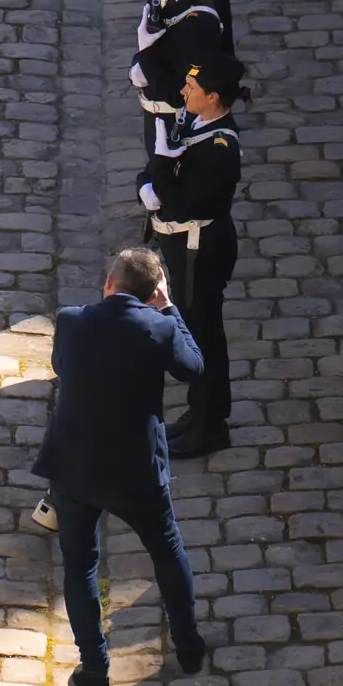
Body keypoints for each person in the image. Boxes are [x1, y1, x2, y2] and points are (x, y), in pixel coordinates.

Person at [32, 245, 209, 686]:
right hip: (136, 469)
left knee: (80, 565)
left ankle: (94, 668)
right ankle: (188, 645)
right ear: (153, 292)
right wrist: (169, 308)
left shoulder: (71, 321)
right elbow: (194, 367)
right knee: (167, 550)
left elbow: (61, 368)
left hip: (75, 466)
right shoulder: (160, 327)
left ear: (108, 283)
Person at [139, 46, 243, 458]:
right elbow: (154, 167)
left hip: (201, 248)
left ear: (213, 96)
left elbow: (186, 203)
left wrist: (160, 178)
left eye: (192, 86)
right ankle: (199, 411)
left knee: (202, 336)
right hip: (183, 244)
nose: (184, 90)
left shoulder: (220, 147)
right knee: (194, 328)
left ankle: (210, 424)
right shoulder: (194, 121)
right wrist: (146, 184)